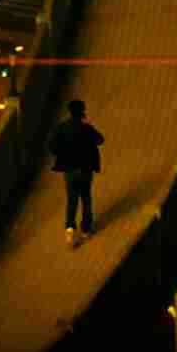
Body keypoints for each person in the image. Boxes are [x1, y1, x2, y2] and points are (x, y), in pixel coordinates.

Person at [49, 100, 104, 248]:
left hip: (69, 170)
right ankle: (86, 228)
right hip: (85, 169)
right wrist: (89, 126)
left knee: (71, 200)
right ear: (82, 112)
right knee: (86, 198)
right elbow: (100, 139)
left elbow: (52, 145)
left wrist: (63, 153)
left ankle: (70, 229)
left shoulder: (62, 127)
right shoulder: (85, 127)